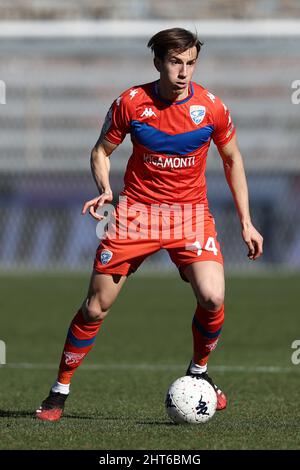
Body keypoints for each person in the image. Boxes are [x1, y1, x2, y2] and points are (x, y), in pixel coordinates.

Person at [36, 28, 263, 421]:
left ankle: (199, 373)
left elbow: (233, 160)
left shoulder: (211, 108)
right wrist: (105, 188)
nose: (184, 72)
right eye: (176, 62)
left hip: (190, 215)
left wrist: (246, 221)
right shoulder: (131, 103)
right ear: (158, 62)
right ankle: (59, 391)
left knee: (212, 296)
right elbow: (101, 151)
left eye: (191, 63)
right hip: (136, 215)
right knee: (95, 308)